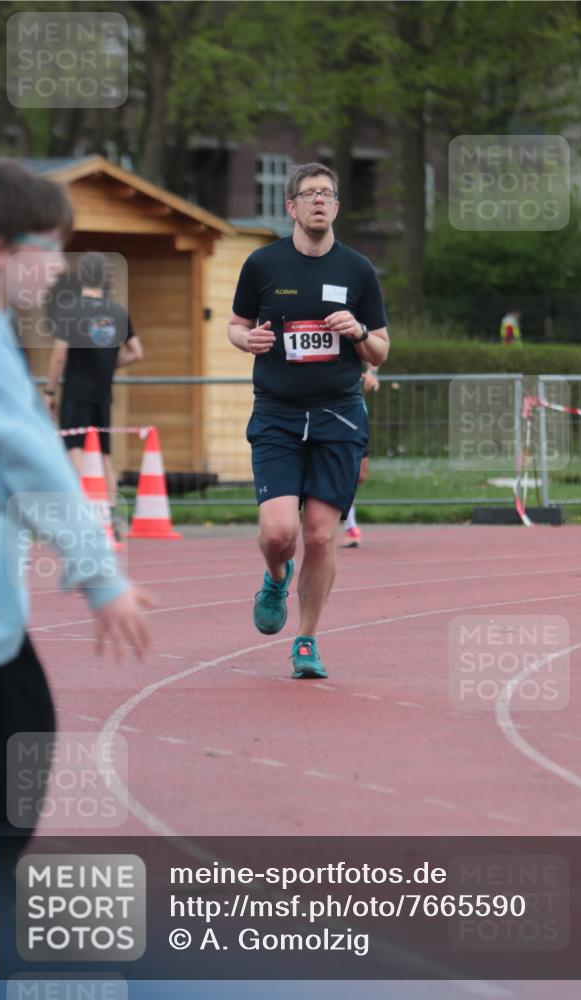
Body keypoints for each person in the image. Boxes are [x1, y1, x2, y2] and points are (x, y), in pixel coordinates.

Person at [0, 156, 152, 849]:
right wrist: (101, 577)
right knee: (12, 771)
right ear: (0, 250)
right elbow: (35, 465)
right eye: (51, 248)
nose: (58, 267)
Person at [228, 162, 389, 678]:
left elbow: (382, 351)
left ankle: (306, 640)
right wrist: (245, 339)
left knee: (320, 535)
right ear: (291, 206)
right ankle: (276, 577)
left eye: (328, 193)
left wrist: (360, 331)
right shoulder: (262, 264)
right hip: (277, 413)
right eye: (308, 193)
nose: (319, 200)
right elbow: (235, 325)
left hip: (338, 417)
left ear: (336, 207)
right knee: (280, 533)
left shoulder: (359, 270)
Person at [44, 251, 144, 529]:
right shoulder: (117, 312)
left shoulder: (70, 309)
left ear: (80, 277)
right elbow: (137, 352)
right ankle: (110, 512)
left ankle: (83, 508)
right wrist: (111, 365)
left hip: (75, 392)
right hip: (103, 394)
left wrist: (49, 392)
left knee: (74, 449)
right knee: (104, 455)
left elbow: (59, 355)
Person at [343, 363, 380, 548]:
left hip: (357, 416)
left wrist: (372, 374)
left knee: (360, 475)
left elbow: (375, 353)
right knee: (345, 473)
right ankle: (351, 526)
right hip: (333, 417)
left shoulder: (354, 336)